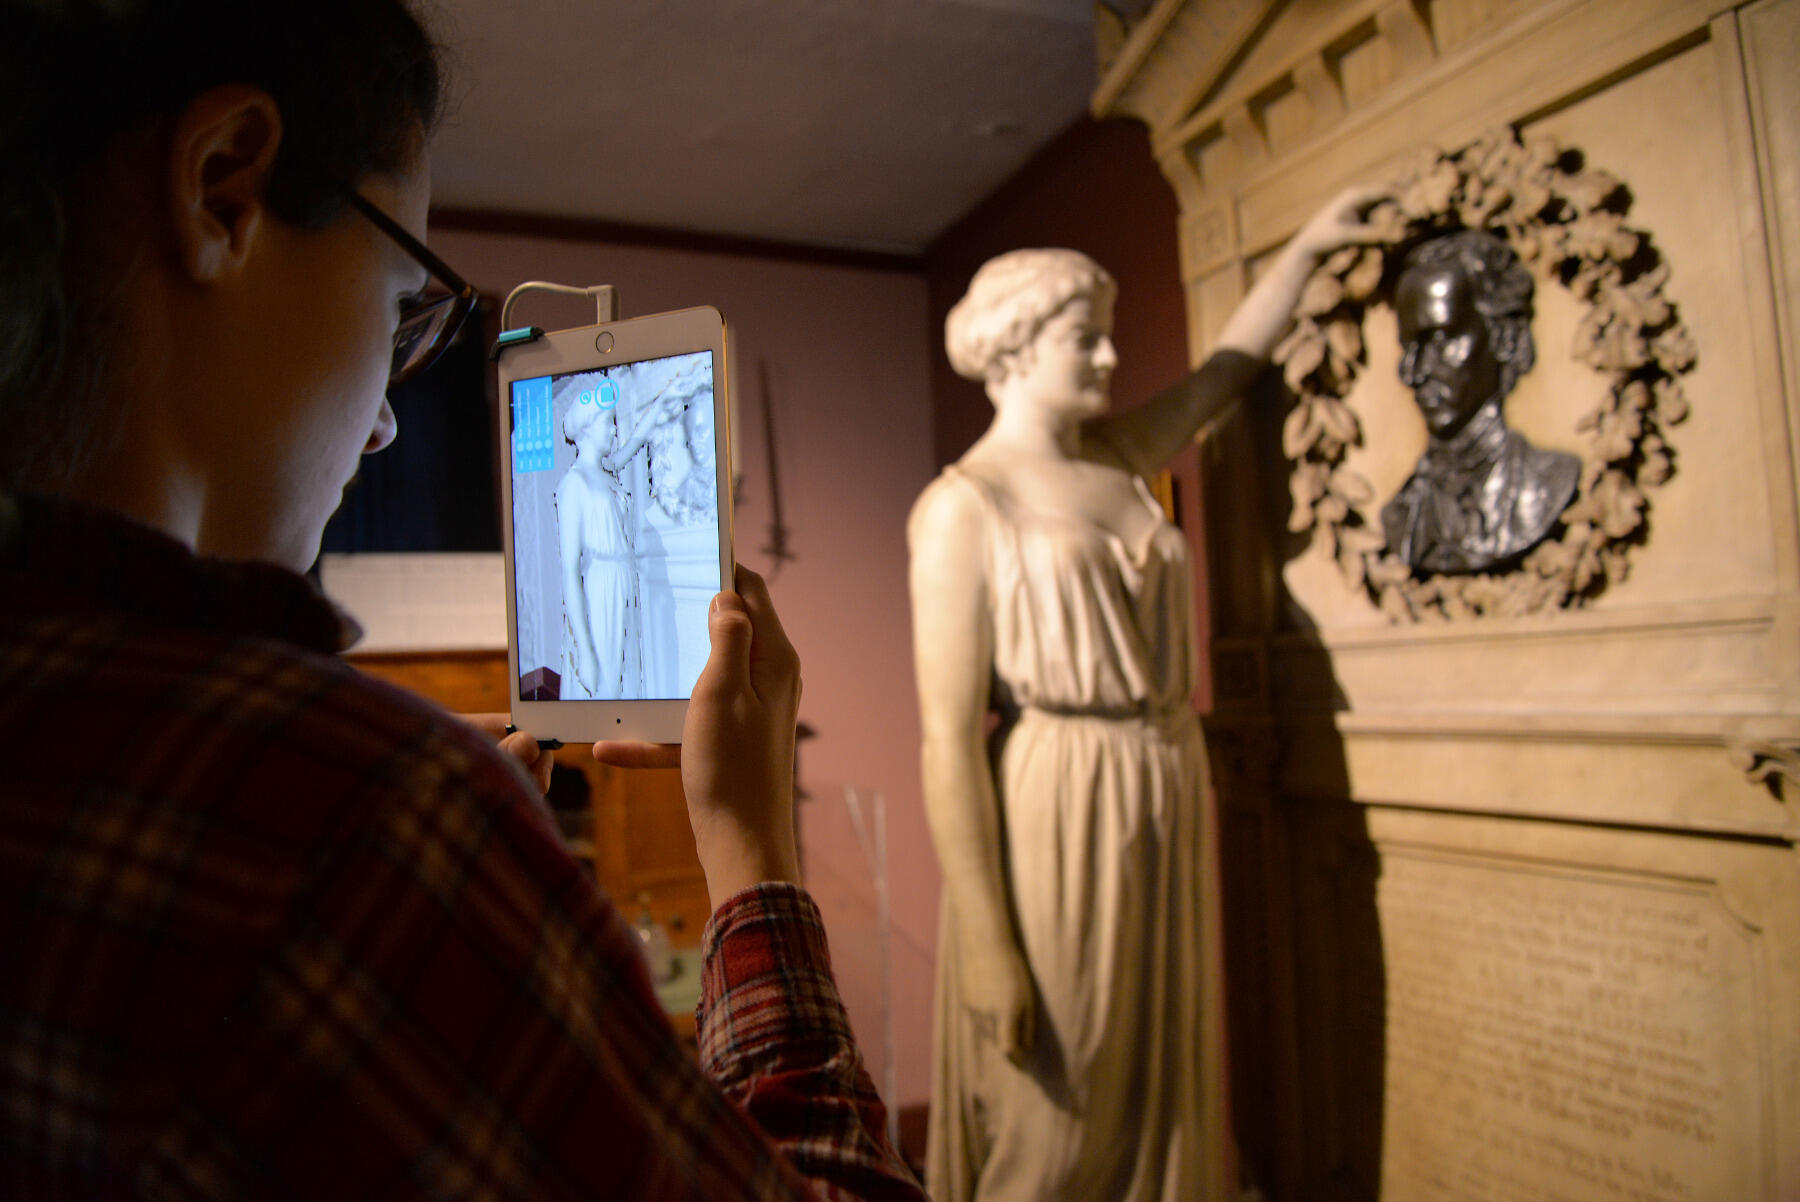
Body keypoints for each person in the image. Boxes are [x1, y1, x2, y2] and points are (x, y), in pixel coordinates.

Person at [0, 3, 923, 1199]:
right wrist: (752, 855)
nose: (387, 417)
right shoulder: (348, 826)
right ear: (224, 187)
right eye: (400, 309)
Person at [909, 190, 1377, 1201]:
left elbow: (1226, 372)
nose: (1112, 358)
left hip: (1164, 773)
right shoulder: (962, 507)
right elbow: (946, 741)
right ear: (1019, 347)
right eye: (1089, 338)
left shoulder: (1118, 456)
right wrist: (989, 943)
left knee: (1160, 1079)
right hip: (1058, 802)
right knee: (1061, 1102)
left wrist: (1301, 248)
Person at [1379, 229, 1580, 574]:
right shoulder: (1404, 512)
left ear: (1502, 337)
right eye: (1409, 347)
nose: (1413, 372)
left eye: (1440, 341)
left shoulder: (1545, 484)